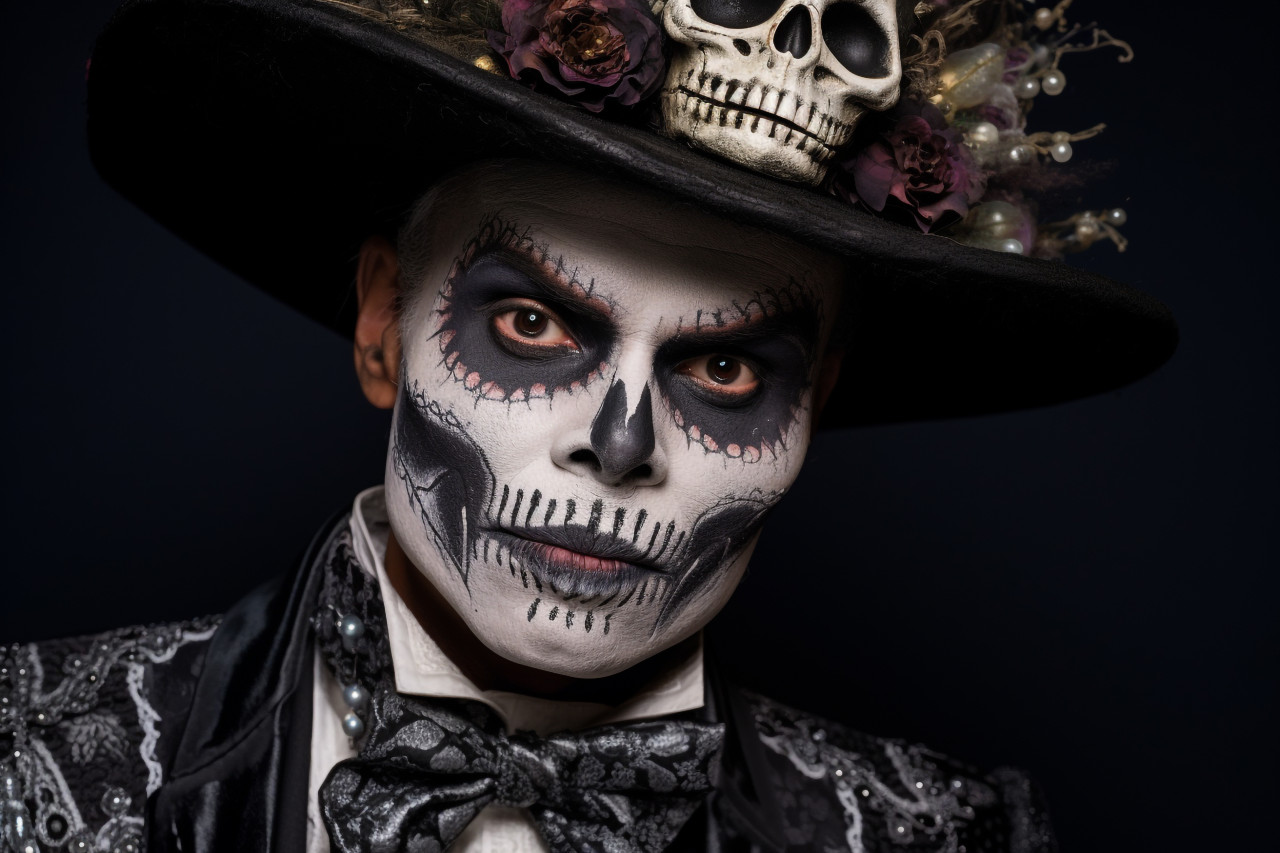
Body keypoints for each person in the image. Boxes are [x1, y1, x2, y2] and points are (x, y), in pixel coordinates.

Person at [0, 0, 1177, 851]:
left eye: (721, 365)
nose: (618, 448)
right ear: (380, 322)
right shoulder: (28, 752)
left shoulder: (947, 836)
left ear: (812, 400)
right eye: (529, 323)